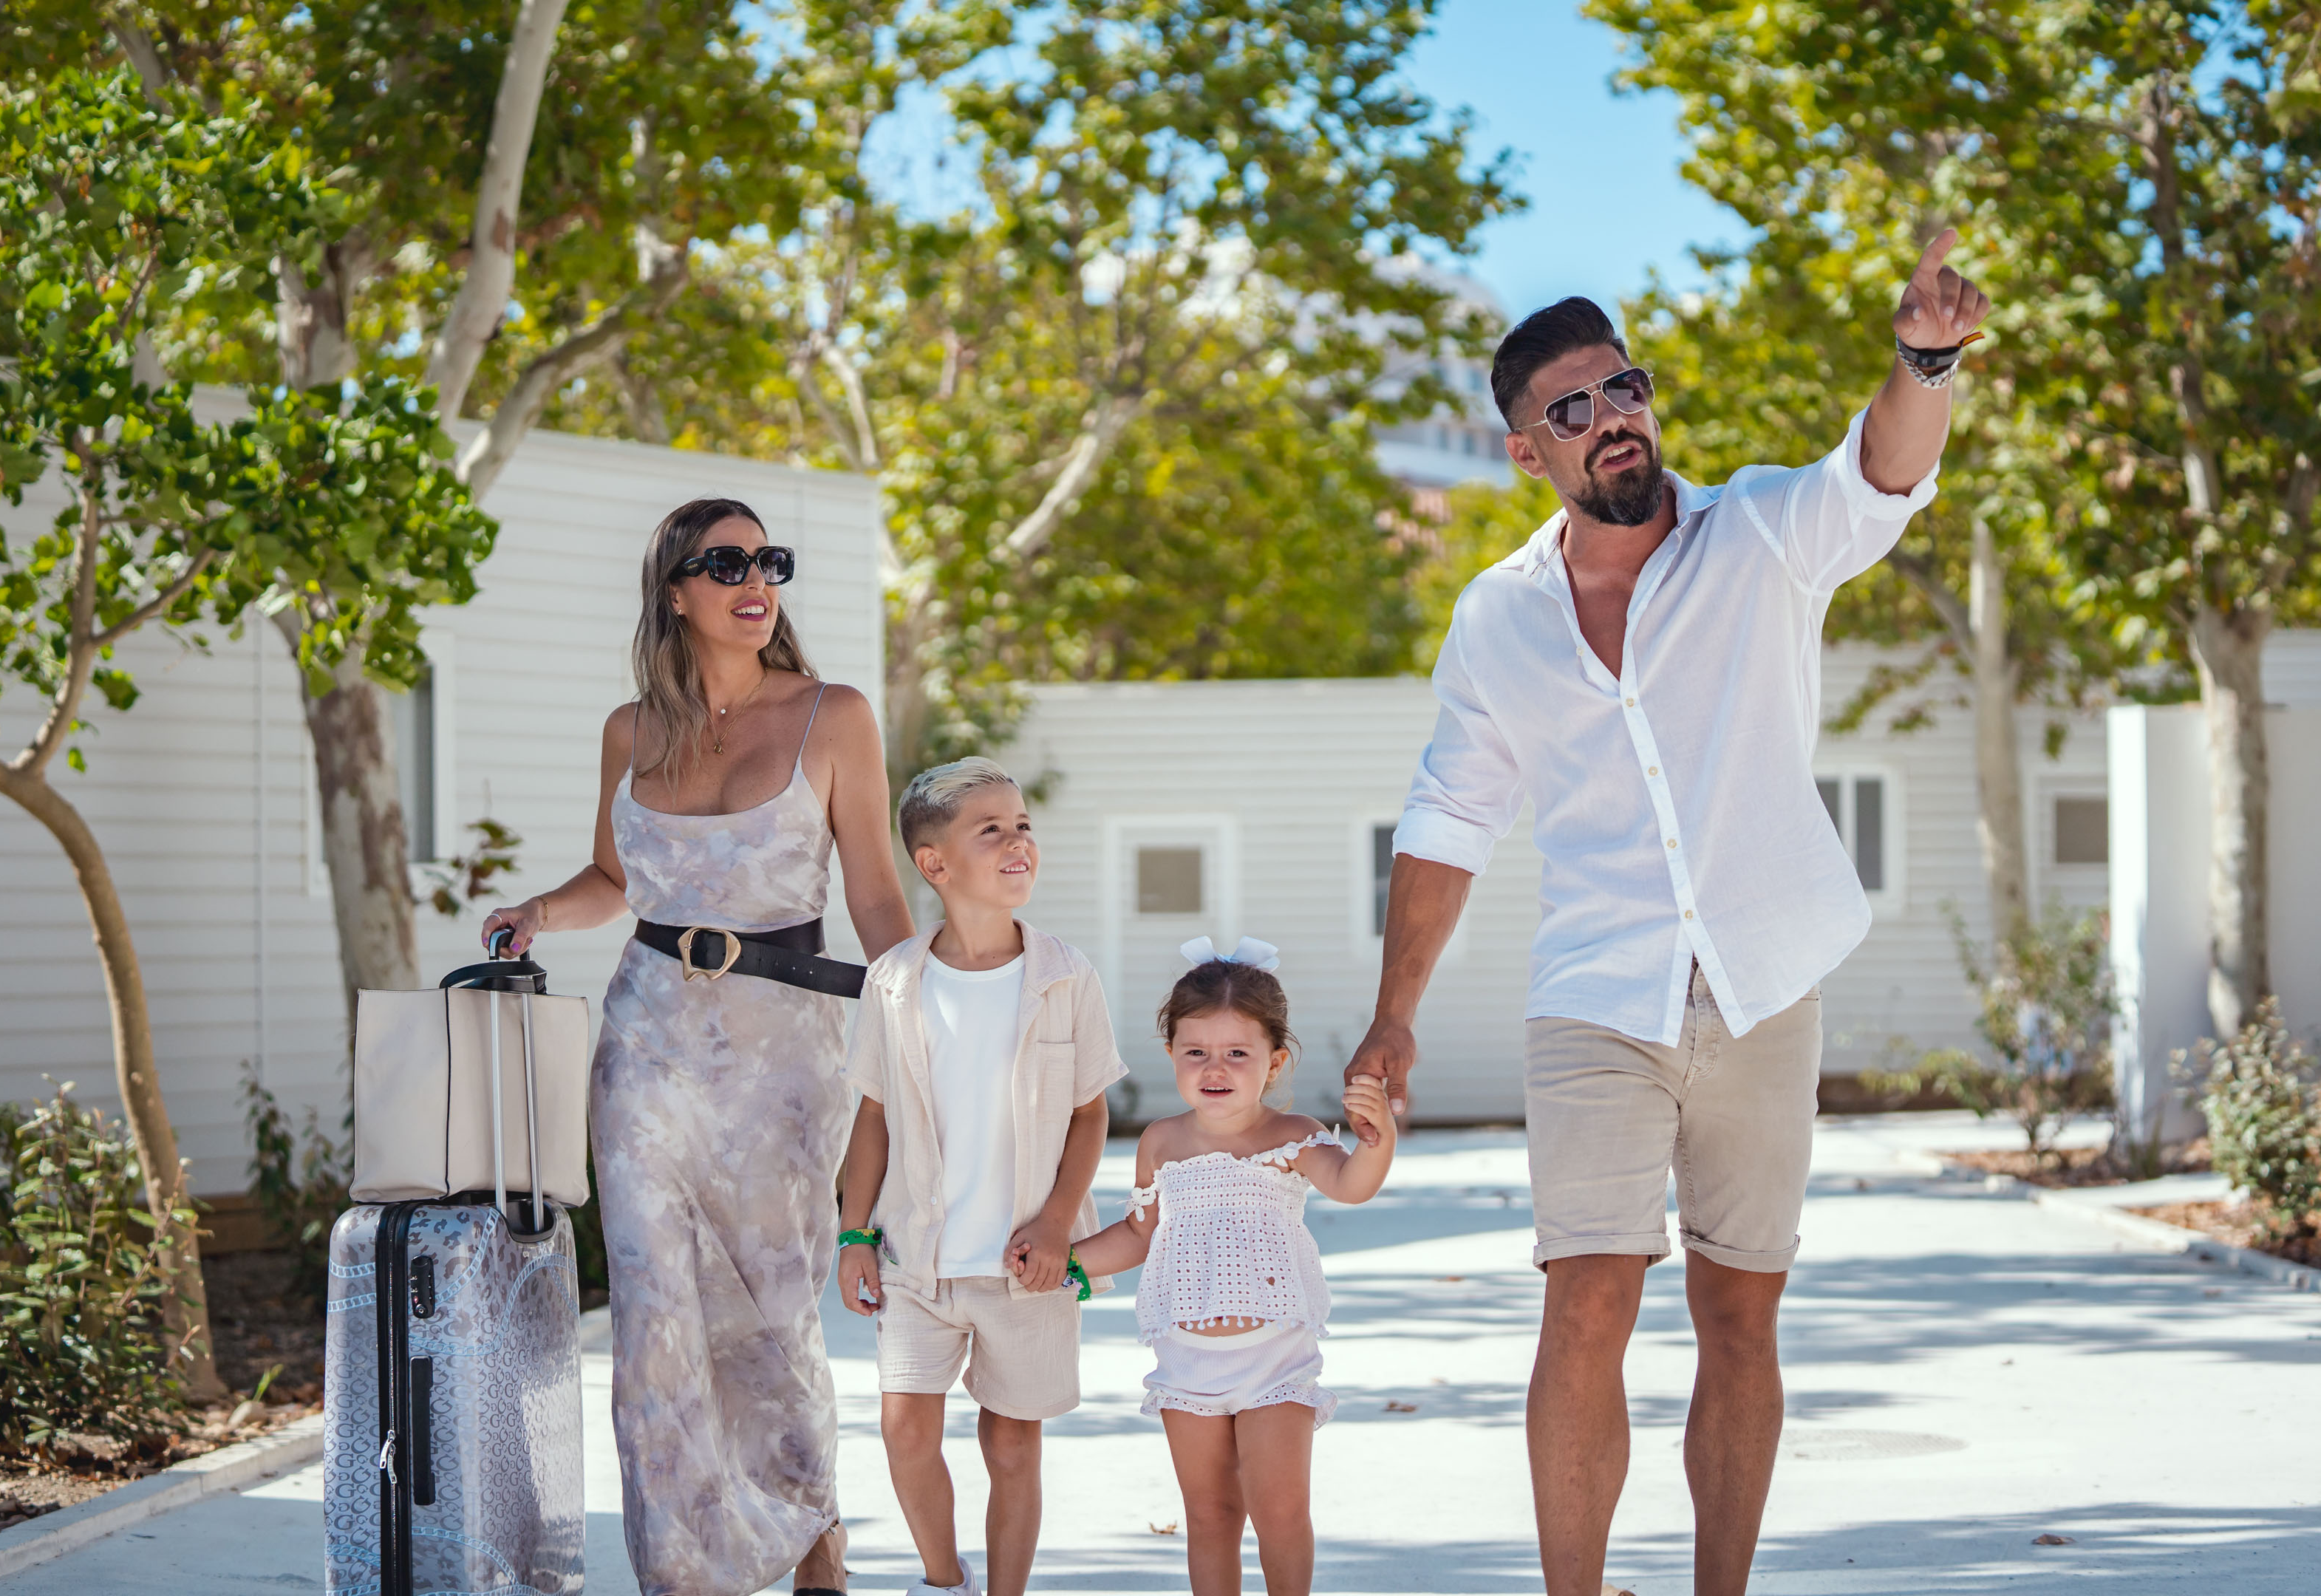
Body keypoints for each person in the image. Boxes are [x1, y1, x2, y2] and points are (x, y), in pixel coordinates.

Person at [1346, 233, 1991, 1596]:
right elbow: (1451, 816)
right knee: (1587, 1302)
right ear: (1528, 453)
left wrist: (1923, 363)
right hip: (1597, 991)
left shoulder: (1757, 533)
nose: (1613, 418)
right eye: (1574, 408)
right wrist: (1395, 1017)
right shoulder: (1497, 618)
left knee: (1739, 1314)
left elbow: (1878, 473)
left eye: (1625, 387)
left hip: (1765, 980)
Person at [480, 497, 914, 1596]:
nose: (754, 581)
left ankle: (813, 1540)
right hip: (647, 1048)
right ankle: (678, 1573)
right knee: (654, 1321)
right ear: (675, 591)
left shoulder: (833, 717)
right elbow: (615, 881)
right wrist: (537, 913)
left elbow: (874, 892)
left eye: (769, 561)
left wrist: (922, 1029)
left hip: (787, 1058)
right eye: (726, 564)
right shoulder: (630, 732)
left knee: (772, 1309)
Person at [835, 757, 1127, 1596]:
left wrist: (1056, 1222)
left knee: (1011, 1446)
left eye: (1023, 826)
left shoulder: (1066, 976)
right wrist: (853, 1234)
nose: (1017, 842)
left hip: (1025, 1267)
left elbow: (1089, 1114)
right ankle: (943, 1581)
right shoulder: (894, 982)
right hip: (916, 1261)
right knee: (904, 1430)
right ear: (935, 864)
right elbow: (873, 1118)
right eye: (991, 830)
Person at [1073, 939, 1397, 1596]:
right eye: (1195, 1052)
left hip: (1275, 1360)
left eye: (1237, 1054)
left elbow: (1351, 1184)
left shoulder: (1292, 1136)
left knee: (1279, 1513)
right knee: (1211, 1516)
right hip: (1186, 1362)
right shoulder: (1162, 1141)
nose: (1214, 1068)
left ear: (1274, 1062)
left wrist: (1378, 1139)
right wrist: (1064, 1262)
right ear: (1171, 1054)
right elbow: (1138, 1235)